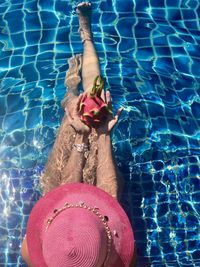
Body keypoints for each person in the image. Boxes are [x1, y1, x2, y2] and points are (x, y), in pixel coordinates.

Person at [21, 2, 135, 266]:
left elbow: (66, 190)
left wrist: (82, 138)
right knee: (93, 106)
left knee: (74, 113)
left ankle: (70, 89)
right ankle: (87, 37)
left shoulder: (34, 252)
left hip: (58, 218)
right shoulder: (121, 262)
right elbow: (109, 196)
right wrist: (102, 136)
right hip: (90, 231)